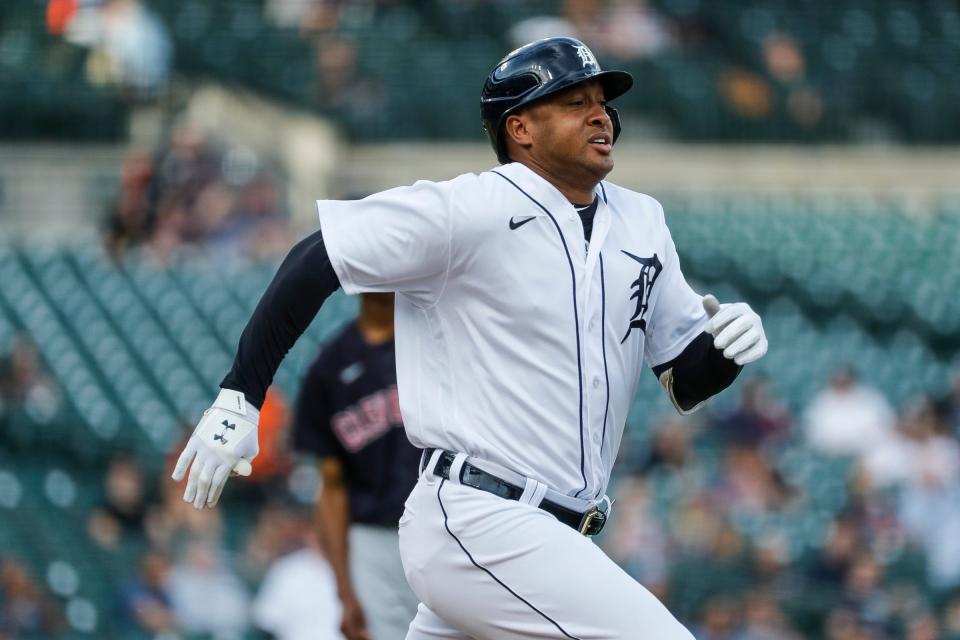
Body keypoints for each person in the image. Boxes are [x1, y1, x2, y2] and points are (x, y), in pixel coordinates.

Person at [171, 37, 768, 639]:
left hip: (551, 536)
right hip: (479, 516)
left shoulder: (643, 220)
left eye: (603, 102)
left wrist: (725, 349)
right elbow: (315, 256)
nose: (600, 114)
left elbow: (684, 380)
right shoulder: (469, 209)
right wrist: (239, 396)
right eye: (574, 101)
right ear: (520, 128)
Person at [292, 292, 420, 640]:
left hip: (442, 526)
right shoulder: (330, 366)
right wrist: (344, 592)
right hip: (373, 537)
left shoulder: (435, 342)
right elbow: (331, 487)